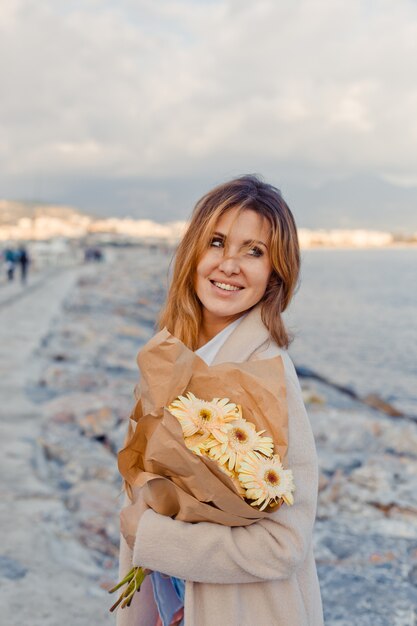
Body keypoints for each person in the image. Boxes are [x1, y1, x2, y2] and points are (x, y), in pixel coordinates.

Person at [117, 175, 324, 626]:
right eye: (217, 242)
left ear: (275, 273)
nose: (230, 265)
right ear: (192, 252)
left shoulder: (266, 375)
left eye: (254, 252)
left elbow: (282, 545)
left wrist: (149, 535)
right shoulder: (170, 352)